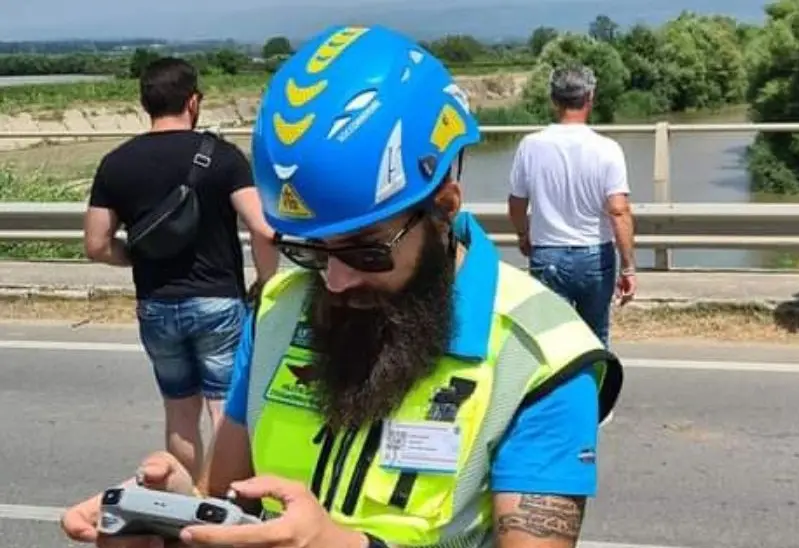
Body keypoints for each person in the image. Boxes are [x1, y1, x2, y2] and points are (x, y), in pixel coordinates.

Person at [61, 24, 623, 548]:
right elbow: (228, 493)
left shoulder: (542, 360)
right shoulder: (278, 309)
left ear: (444, 206)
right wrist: (182, 514)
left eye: (365, 250)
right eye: (309, 250)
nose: (334, 280)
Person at [82, 56, 278, 481]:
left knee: (179, 412)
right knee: (226, 408)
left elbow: (96, 244)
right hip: (218, 301)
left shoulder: (116, 163)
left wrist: (135, 257)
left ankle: (185, 506)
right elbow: (263, 228)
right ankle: (226, 506)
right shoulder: (223, 158)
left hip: (155, 304)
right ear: (193, 102)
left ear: (145, 103)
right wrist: (266, 284)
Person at [507, 64, 637, 347]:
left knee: (553, 344)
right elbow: (618, 210)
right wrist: (628, 268)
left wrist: (523, 235)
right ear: (590, 98)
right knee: (594, 339)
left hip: (547, 254)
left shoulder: (530, 146)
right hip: (595, 257)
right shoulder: (608, 149)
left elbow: (517, 204)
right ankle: (595, 390)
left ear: (554, 100)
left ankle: (561, 391)